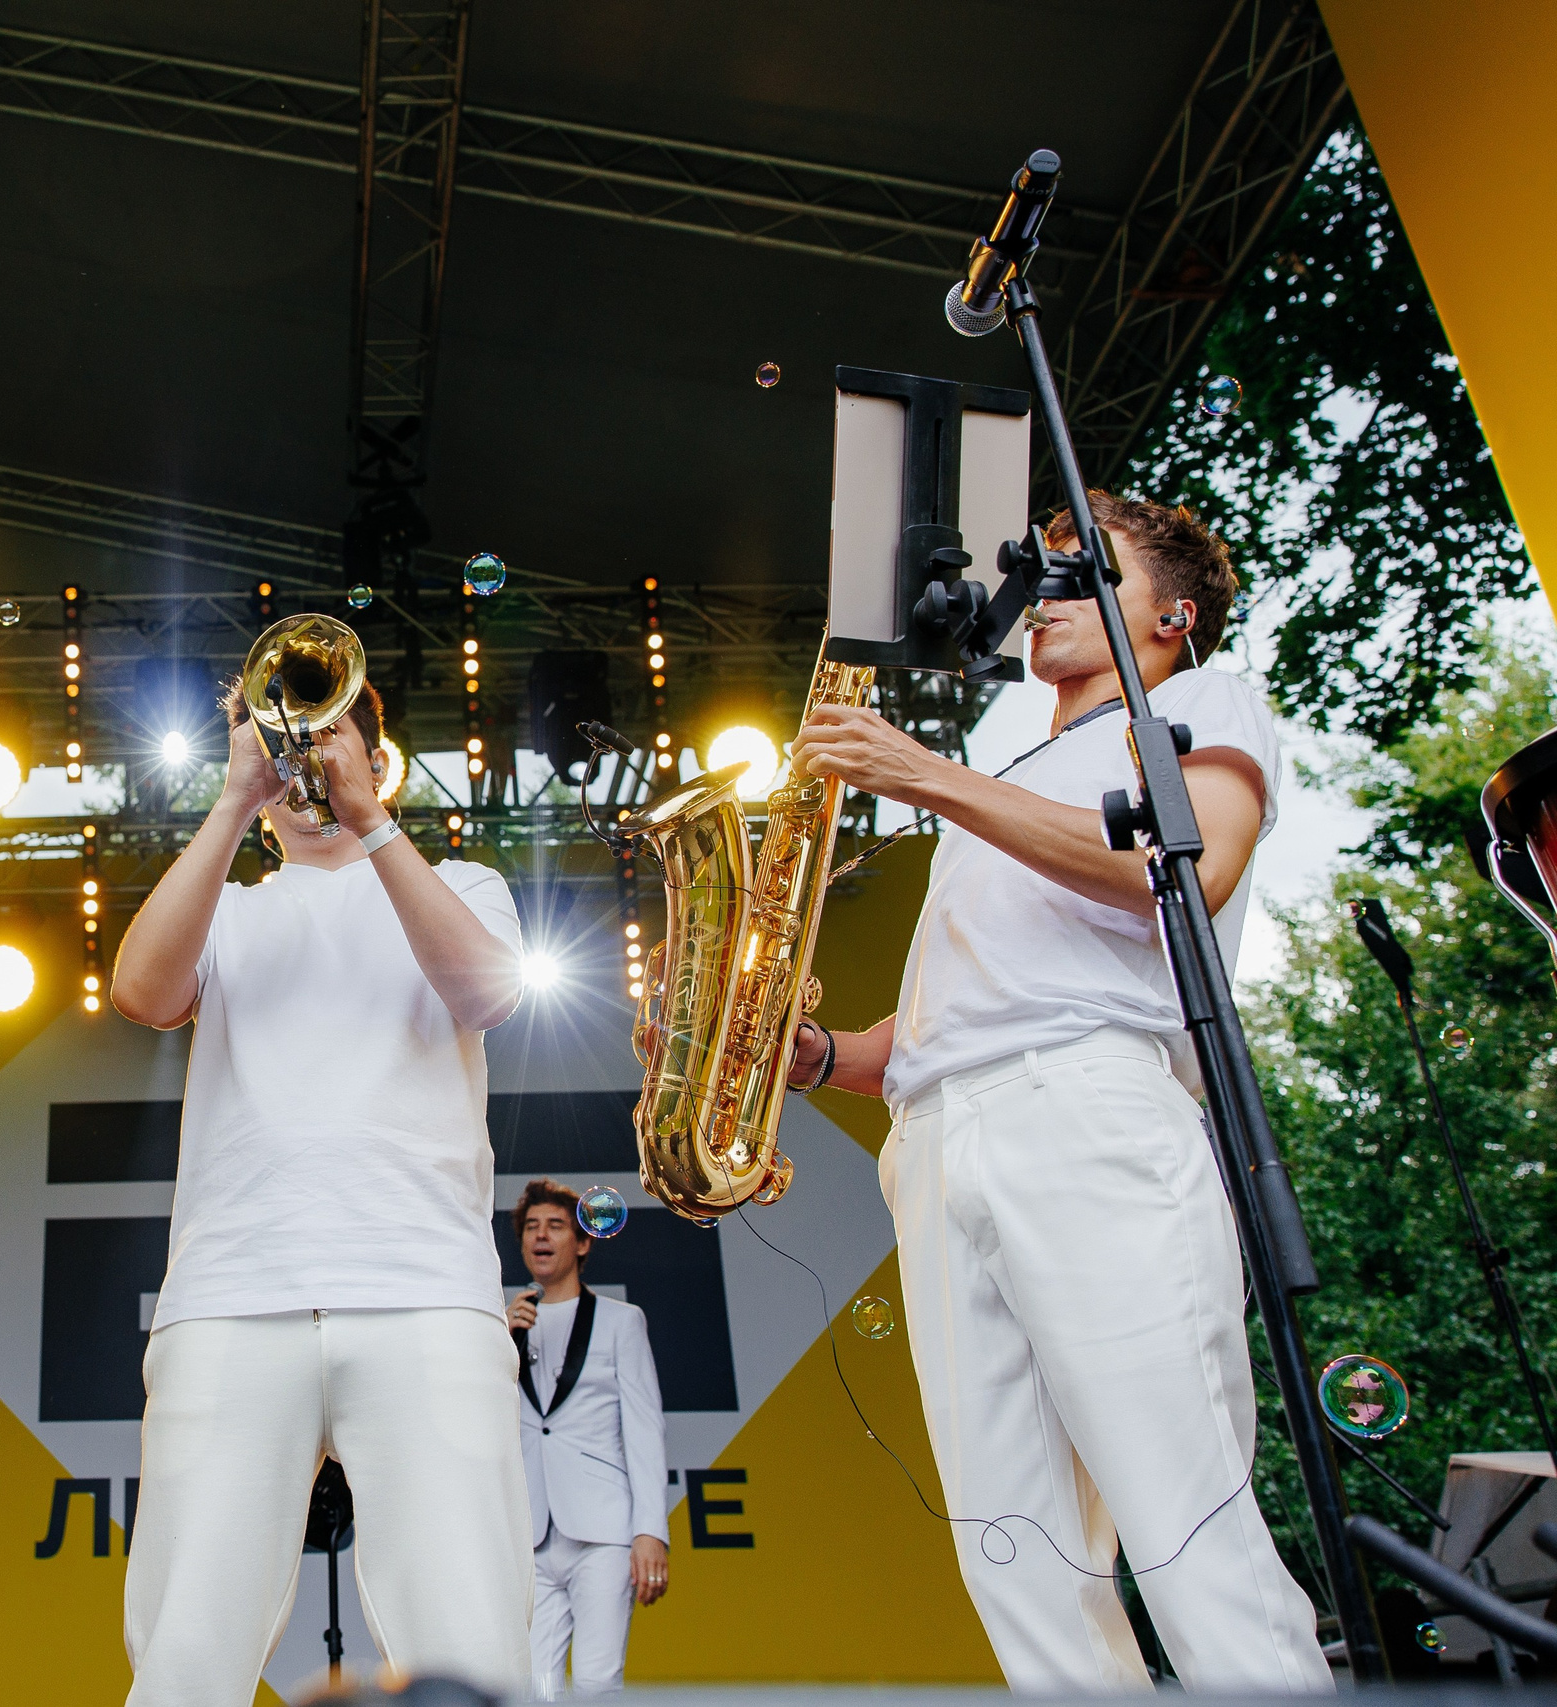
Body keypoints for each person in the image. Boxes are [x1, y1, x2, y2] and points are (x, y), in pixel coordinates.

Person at [788, 492, 1327, 1692]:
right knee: (1012, 1553)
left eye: (1092, 569)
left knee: (1180, 1515)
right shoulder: (1016, 776)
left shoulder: (1193, 704)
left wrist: (930, 780)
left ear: (1174, 615)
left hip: (1087, 1108)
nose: (1051, 587)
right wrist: (821, 1056)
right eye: (1051, 568)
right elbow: (946, 1021)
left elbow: (1184, 873)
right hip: (937, 1135)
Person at [109, 672, 532, 1706]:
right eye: (283, 743)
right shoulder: (232, 907)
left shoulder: (462, 881)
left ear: (374, 757)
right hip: (229, 1296)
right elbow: (140, 992)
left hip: (423, 1288)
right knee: (185, 1651)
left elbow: (489, 992)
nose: (301, 758)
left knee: (471, 1639)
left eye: (325, 737)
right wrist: (231, 798)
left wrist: (371, 821)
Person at [505, 1180, 667, 1698]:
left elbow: (644, 1430)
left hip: (602, 1529)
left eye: (555, 1226)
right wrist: (496, 1345)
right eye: (531, 1227)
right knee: (534, 1686)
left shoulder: (622, 1322)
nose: (541, 1237)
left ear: (583, 1242)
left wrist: (650, 1532)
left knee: (598, 1681)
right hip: (530, 1532)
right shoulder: (500, 1328)